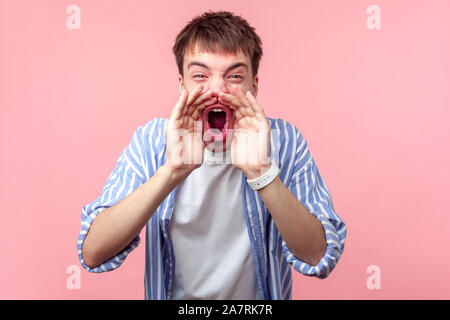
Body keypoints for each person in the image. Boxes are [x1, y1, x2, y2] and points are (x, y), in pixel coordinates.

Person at [77, 10, 346, 300]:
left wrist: (262, 173)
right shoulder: (151, 141)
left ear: (253, 86)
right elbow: (93, 253)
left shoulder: (286, 142)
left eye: (234, 76)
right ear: (182, 84)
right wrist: (171, 172)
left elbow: (319, 257)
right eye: (201, 75)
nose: (217, 89)